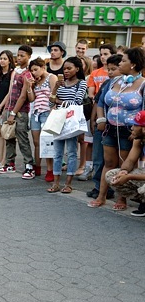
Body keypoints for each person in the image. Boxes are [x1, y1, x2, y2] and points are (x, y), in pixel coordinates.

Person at [89, 48, 145, 210]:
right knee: (108, 163)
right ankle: (101, 195)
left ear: (133, 64)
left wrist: (138, 130)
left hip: (130, 131)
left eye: (123, 61)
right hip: (110, 128)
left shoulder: (143, 84)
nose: (119, 63)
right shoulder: (114, 81)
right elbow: (101, 102)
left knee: (124, 164)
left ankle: (122, 199)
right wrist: (101, 119)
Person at [47, 57, 87, 193]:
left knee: (71, 153)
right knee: (57, 153)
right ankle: (56, 182)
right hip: (58, 120)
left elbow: (77, 102)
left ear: (77, 68)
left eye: (69, 68)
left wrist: (58, 101)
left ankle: (68, 183)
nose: (66, 71)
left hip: (71, 121)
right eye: (64, 69)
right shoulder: (60, 83)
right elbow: (50, 103)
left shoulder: (81, 83)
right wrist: (55, 89)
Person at [86, 54, 121, 203]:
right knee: (98, 158)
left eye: (114, 69)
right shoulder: (107, 83)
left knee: (114, 161)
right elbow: (98, 102)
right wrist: (95, 119)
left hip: (117, 127)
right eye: (109, 69)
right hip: (102, 126)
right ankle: (98, 187)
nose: (110, 72)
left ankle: (112, 189)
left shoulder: (130, 84)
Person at [0, 45, 35, 178]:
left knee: (22, 139)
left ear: (29, 57)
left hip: (21, 112)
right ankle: (9, 164)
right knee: (9, 137)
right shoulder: (15, 71)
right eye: (18, 55)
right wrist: (6, 109)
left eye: (22, 55)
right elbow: (10, 92)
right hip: (9, 110)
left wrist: (13, 113)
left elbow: (24, 96)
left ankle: (29, 166)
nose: (19, 58)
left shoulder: (28, 73)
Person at [80, 44, 116, 182]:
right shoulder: (95, 73)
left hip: (111, 115)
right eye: (101, 54)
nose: (102, 57)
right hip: (95, 110)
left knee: (108, 148)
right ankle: (90, 169)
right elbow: (92, 94)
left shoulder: (117, 74)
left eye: (106, 54)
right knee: (91, 143)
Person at [106, 110, 145, 216]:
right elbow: (130, 160)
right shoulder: (139, 139)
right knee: (111, 175)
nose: (131, 128)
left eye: (135, 125)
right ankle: (144, 202)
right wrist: (123, 172)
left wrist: (129, 177)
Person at [26, 57, 57, 182]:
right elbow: (32, 99)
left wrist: (53, 111)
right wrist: (29, 87)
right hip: (36, 113)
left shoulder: (51, 77)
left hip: (47, 112)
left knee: (47, 142)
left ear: (43, 67)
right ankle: (37, 166)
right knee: (36, 142)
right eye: (32, 70)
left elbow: (55, 95)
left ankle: (50, 170)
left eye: (36, 69)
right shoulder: (35, 81)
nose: (33, 72)